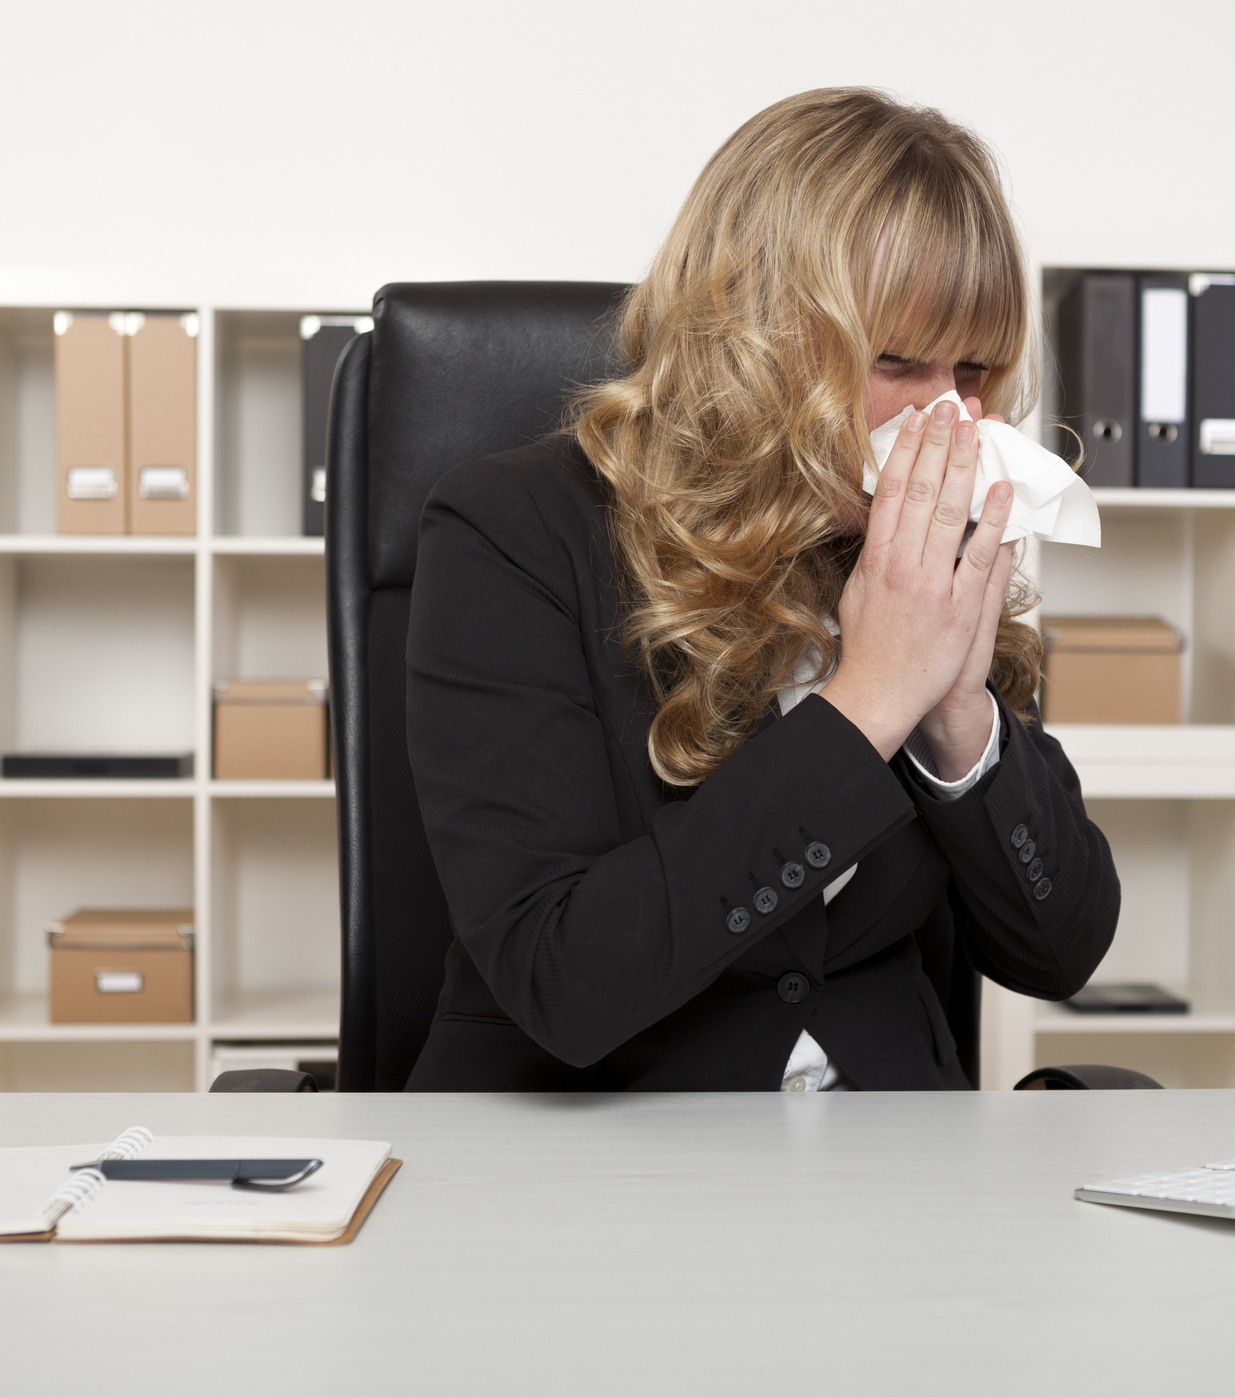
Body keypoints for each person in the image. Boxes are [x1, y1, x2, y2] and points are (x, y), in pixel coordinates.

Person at [404, 88, 1119, 1091]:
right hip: (593, 1158)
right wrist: (870, 700)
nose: (949, 418)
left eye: (973, 368)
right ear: (748, 338)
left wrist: (958, 713)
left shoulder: (922, 550)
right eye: (897, 361)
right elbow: (562, 978)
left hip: (888, 1161)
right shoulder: (513, 531)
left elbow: (1060, 951)